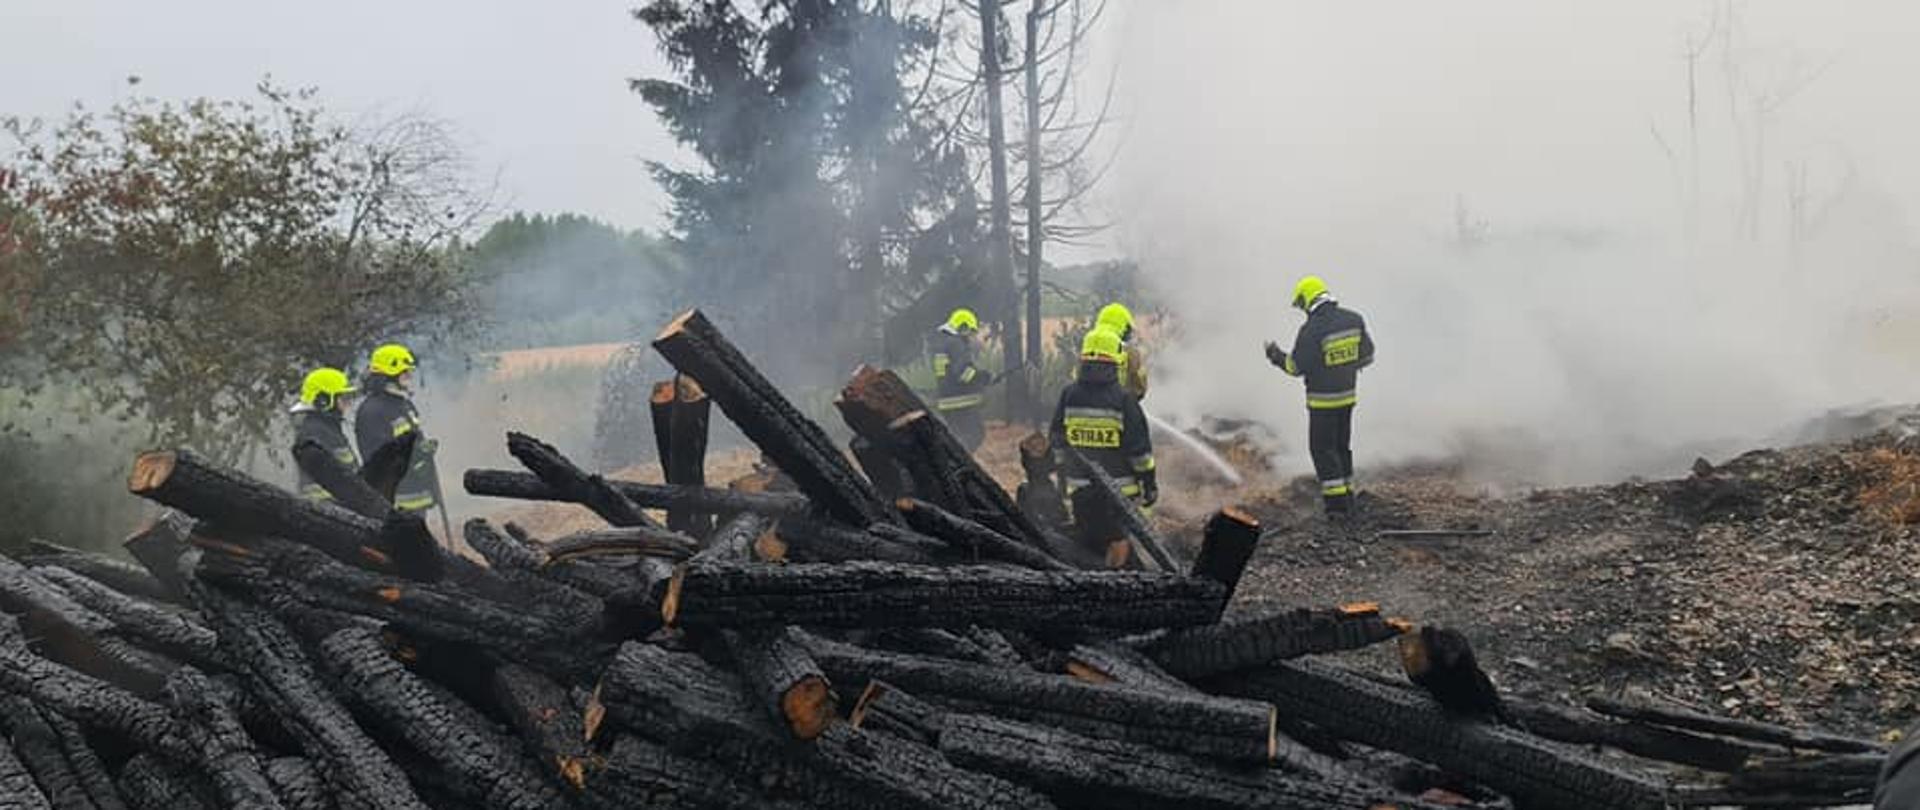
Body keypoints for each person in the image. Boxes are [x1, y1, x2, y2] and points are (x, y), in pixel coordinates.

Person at [1264, 275, 1374, 516]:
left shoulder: (1312, 330)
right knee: (1341, 447)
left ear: (1307, 300)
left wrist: (1275, 355)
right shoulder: (1353, 319)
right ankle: (1348, 495)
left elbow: (1295, 367)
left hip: (1322, 401)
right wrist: (1344, 367)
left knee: (1323, 450)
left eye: (1301, 304)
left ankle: (1336, 508)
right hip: (1348, 397)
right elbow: (1367, 356)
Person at [1051, 326, 1156, 567]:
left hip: (1079, 492)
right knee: (1118, 544)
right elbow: (1140, 453)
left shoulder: (1069, 395)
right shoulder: (1124, 400)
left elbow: (1057, 440)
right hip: (1119, 496)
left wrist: (1062, 478)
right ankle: (1113, 588)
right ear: (1116, 363)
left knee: (1090, 545)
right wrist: (1149, 484)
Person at [353, 343, 439, 514]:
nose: (409, 376)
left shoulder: (403, 403)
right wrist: (417, 453)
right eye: (405, 372)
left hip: (414, 492)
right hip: (395, 498)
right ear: (390, 375)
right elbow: (378, 457)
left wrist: (423, 451)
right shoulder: (373, 410)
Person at [289, 367, 359, 502]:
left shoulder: (329, 428)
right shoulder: (314, 432)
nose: (348, 402)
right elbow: (318, 486)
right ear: (324, 400)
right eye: (344, 397)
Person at [931, 307, 989, 449]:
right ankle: (963, 464)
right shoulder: (956, 344)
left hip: (947, 401)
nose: (971, 336)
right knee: (975, 435)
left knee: (957, 437)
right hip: (961, 402)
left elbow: (948, 373)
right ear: (962, 327)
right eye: (970, 331)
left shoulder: (942, 344)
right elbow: (962, 373)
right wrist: (981, 377)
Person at [1095, 302, 1149, 401]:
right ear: (1125, 329)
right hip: (1119, 409)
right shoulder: (1131, 353)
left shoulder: (1086, 351)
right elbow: (1139, 389)